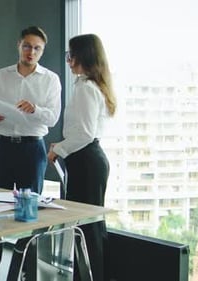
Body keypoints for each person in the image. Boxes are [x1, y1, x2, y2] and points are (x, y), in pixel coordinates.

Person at [0, 26, 62, 281]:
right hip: (2, 146)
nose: (31, 52)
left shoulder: (50, 79)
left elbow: (53, 117)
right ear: (19, 45)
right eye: (27, 46)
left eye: (37, 48)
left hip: (32, 149)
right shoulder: (1, 76)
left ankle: (24, 272)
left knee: (29, 214)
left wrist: (34, 109)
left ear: (42, 50)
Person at [47, 34, 116, 281]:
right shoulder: (89, 85)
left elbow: (85, 133)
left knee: (87, 227)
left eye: (71, 55)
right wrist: (64, 145)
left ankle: (89, 277)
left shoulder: (87, 88)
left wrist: (59, 149)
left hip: (86, 160)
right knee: (88, 226)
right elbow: (83, 132)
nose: (68, 60)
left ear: (84, 56)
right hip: (87, 158)